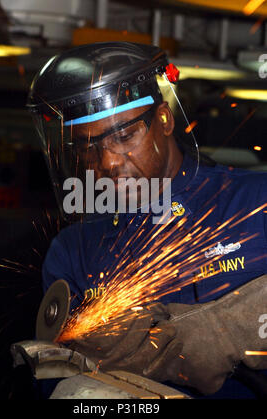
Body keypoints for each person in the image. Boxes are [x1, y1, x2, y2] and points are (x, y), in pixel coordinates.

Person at [27, 42, 267, 399]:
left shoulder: (255, 204)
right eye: (87, 147)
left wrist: (229, 328)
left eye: (124, 136)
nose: (106, 162)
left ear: (165, 119)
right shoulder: (74, 251)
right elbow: (52, 372)